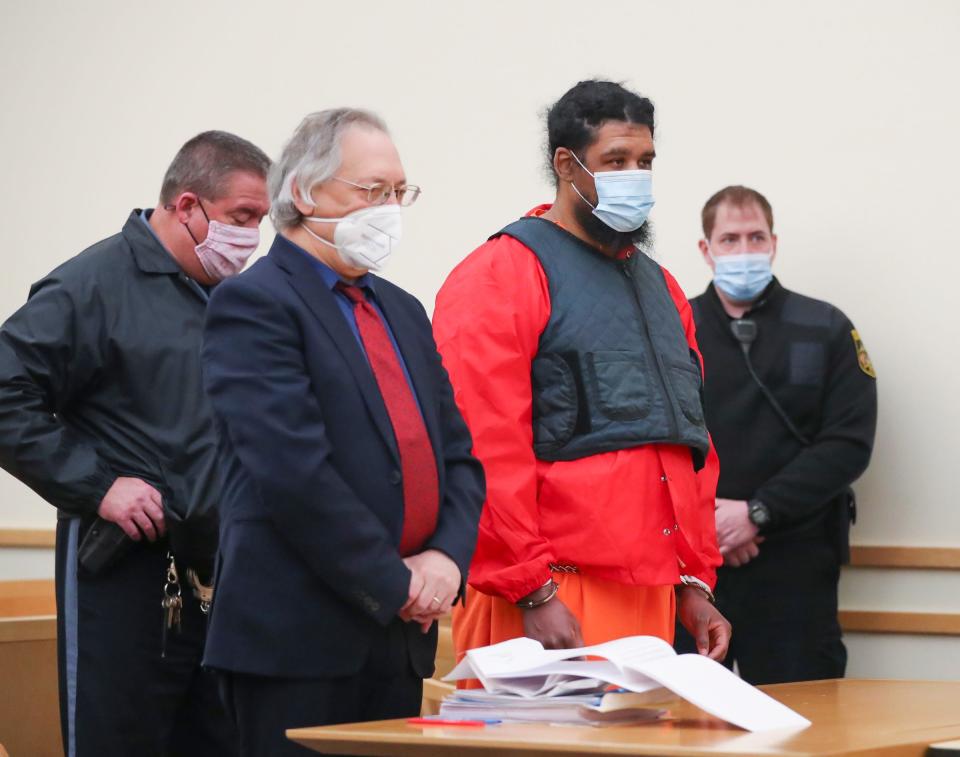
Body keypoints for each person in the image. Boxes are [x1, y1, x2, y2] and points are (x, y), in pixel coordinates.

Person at [200, 108, 485, 756]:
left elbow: (458, 457)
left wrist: (445, 559)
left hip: (396, 640)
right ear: (303, 192)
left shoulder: (402, 309)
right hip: (298, 641)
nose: (389, 209)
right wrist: (396, 581)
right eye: (372, 191)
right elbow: (292, 472)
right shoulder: (254, 302)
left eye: (398, 193)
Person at [432, 80, 730, 667]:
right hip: (544, 599)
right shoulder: (501, 274)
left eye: (645, 161)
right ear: (566, 165)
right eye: (615, 161)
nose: (635, 176)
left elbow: (689, 447)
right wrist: (531, 587)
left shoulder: (663, 289)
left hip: (649, 601)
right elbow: (481, 442)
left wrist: (692, 584)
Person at [0, 130, 271, 755]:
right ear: (185, 206)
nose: (253, 237)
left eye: (261, 219)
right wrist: (98, 485)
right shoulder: (92, 286)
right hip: (124, 572)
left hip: (221, 577)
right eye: (241, 217)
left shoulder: (233, 297)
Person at [675, 185, 878, 683]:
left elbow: (848, 442)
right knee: (682, 720)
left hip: (795, 561)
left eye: (755, 237)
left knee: (803, 716)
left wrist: (757, 513)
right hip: (693, 568)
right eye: (729, 239)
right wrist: (711, 523)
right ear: (706, 250)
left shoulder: (824, 327)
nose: (744, 251)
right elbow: (648, 442)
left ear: (773, 243)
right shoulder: (674, 331)